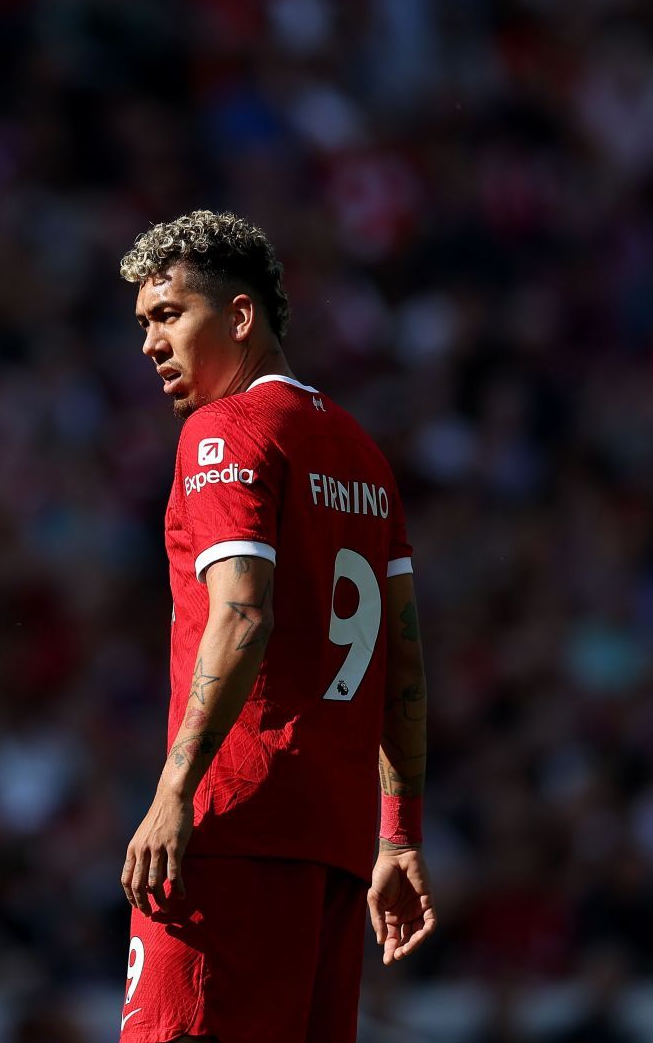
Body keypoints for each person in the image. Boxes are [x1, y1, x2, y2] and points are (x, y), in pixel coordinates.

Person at [116, 211, 437, 1042]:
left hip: (235, 826)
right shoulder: (364, 454)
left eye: (168, 315)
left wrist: (176, 790)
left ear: (241, 317)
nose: (150, 343)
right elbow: (403, 661)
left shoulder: (223, 432)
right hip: (332, 848)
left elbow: (243, 612)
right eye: (144, 323)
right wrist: (397, 837)